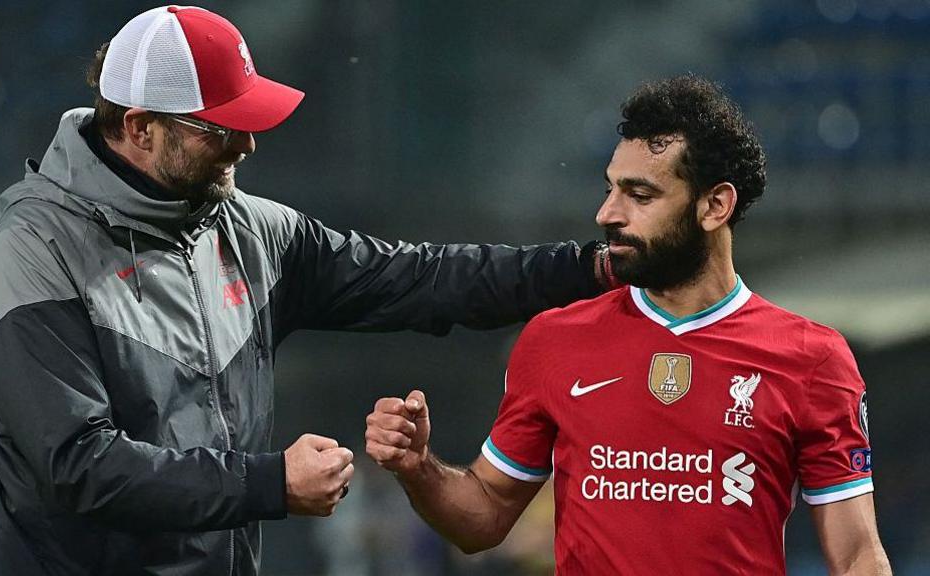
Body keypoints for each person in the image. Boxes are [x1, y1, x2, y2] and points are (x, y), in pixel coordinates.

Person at [0, 6, 617, 576]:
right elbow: (79, 466)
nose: (246, 144)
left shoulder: (250, 229)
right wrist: (270, 482)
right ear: (140, 128)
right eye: (217, 129)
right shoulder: (33, 252)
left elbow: (418, 277)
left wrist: (585, 270)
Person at [365, 75, 892, 575]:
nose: (607, 213)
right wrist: (420, 469)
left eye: (640, 196)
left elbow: (856, 557)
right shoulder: (554, 339)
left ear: (715, 205)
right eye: (611, 189)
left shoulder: (812, 358)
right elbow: (483, 518)